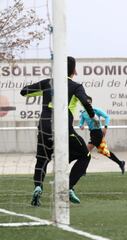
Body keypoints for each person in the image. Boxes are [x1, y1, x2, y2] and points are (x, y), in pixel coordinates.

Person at [20, 56, 97, 206]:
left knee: (42, 159)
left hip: (44, 127)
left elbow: (24, 92)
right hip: (62, 128)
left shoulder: (47, 83)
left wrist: (43, 91)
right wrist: (93, 117)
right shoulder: (76, 86)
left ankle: (38, 187)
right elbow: (86, 103)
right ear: (74, 70)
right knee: (85, 155)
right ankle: (68, 187)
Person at [79, 96, 125, 174]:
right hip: (92, 133)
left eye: (89, 102)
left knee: (86, 151)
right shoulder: (83, 113)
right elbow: (81, 123)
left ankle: (83, 171)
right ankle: (120, 163)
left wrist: (105, 127)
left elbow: (107, 117)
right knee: (105, 152)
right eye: (87, 103)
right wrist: (81, 126)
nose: (88, 104)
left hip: (98, 133)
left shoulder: (96, 111)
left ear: (91, 103)